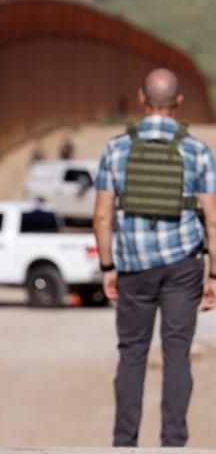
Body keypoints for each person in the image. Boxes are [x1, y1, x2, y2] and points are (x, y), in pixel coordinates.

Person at [93, 68, 216, 447]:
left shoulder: (115, 148)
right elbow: (213, 218)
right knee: (177, 354)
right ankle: (173, 443)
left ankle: (125, 442)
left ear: (142, 99)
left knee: (132, 355)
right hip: (184, 267)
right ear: (179, 102)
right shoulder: (197, 150)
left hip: (133, 269)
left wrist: (107, 266)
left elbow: (101, 215)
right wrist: (214, 276)